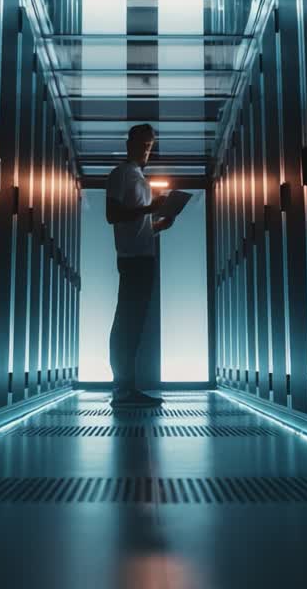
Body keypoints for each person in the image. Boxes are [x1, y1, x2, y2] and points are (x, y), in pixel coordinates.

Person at [106, 124, 175, 407]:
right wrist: (149, 210)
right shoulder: (122, 174)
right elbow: (112, 215)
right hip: (133, 260)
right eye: (143, 144)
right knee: (127, 324)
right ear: (129, 143)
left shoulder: (138, 178)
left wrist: (159, 225)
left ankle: (125, 388)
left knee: (132, 324)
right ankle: (122, 390)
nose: (147, 150)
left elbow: (135, 225)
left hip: (142, 258)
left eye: (150, 145)